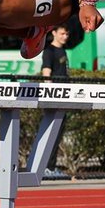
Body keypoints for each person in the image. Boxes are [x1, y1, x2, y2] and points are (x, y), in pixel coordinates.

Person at [40, 23, 71, 177]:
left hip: (65, 96)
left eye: (66, 34)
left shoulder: (62, 50)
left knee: (58, 133)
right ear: (54, 33)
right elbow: (46, 72)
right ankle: (45, 167)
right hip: (55, 96)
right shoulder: (49, 51)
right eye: (62, 34)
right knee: (51, 132)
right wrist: (50, 93)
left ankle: (51, 167)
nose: (65, 37)